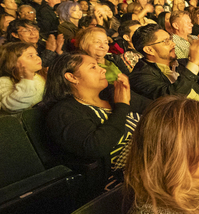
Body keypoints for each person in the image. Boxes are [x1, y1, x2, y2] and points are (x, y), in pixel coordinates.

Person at [44, 53, 149, 187]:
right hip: (126, 176)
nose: (103, 69)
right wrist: (122, 106)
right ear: (72, 77)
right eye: (93, 67)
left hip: (157, 153)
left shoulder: (111, 93)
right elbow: (96, 147)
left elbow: (157, 109)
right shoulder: (63, 112)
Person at [129, 25, 199, 102]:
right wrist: (194, 62)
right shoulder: (140, 76)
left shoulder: (180, 63)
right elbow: (172, 98)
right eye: (166, 41)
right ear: (149, 50)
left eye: (170, 39)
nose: (173, 44)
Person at [0, 42, 45, 112]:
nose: (38, 58)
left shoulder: (37, 76)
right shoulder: (4, 81)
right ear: (13, 62)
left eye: (36, 54)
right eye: (30, 56)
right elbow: (13, 106)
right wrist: (27, 79)